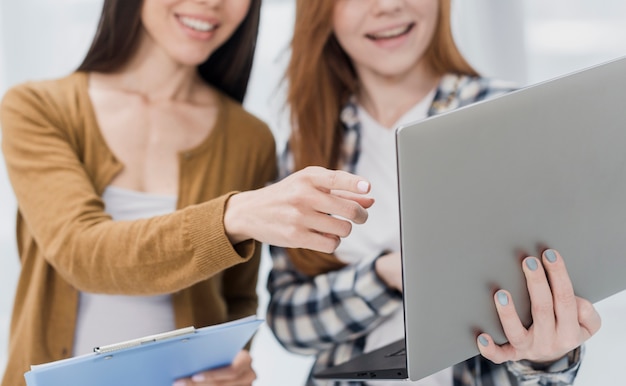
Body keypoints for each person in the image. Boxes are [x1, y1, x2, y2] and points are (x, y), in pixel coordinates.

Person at [0, 1, 375, 386]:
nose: (212, 3)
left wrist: (235, 365)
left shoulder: (250, 139)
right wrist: (233, 216)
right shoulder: (37, 108)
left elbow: (237, 300)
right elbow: (82, 254)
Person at [266, 0, 602, 385]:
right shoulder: (306, 147)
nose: (389, 5)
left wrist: (549, 359)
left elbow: (550, 323)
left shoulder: (512, 115)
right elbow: (289, 323)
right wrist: (386, 275)